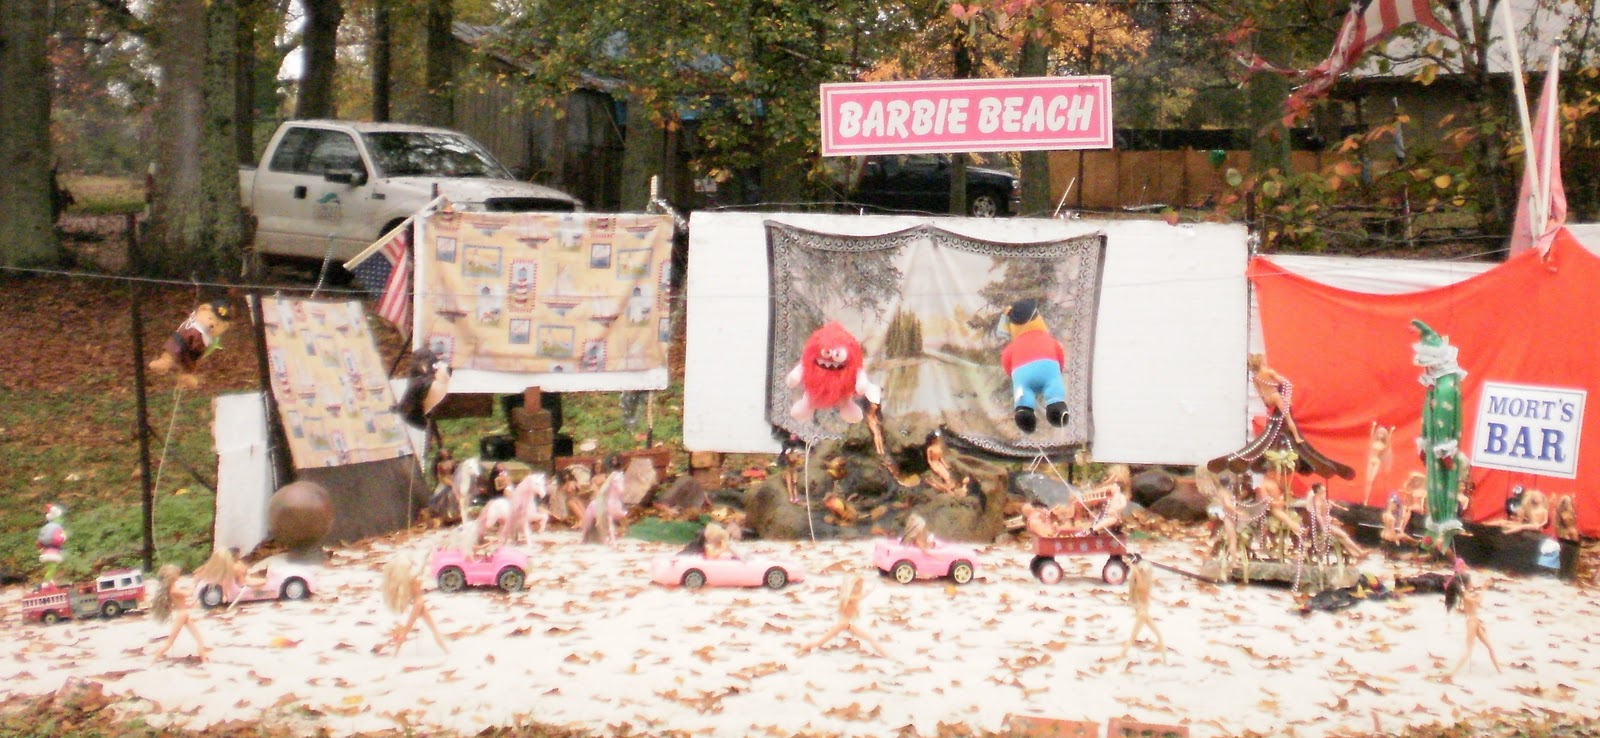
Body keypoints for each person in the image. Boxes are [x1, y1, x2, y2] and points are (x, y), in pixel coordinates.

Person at [797, 575, 890, 658]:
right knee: (870, 639)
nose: (861, 588)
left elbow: (859, 595)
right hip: (845, 625)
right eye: (859, 586)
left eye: (860, 586)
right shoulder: (850, 598)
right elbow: (859, 596)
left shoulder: (848, 596)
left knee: (820, 641)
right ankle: (888, 657)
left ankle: (802, 650)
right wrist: (873, 587)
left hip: (845, 625)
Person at [379, 555, 448, 657]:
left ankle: (444, 647)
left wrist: (426, 560)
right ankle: (396, 651)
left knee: (432, 627)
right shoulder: (412, 580)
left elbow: (420, 572)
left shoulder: (410, 579)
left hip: (420, 603)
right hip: (418, 605)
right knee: (410, 628)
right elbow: (418, 576)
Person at [151, 564, 208, 663]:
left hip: (184, 614)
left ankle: (204, 660)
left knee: (199, 638)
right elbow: (188, 593)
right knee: (169, 642)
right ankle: (153, 660)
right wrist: (196, 583)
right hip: (181, 615)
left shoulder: (174, 588)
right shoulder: (173, 590)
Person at [1116, 557, 1166, 664]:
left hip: (1142, 612)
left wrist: (1131, 565)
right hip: (1142, 613)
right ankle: (1121, 656)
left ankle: (1165, 660)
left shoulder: (1141, 585)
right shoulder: (1141, 585)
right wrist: (1131, 565)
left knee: (1157, 636)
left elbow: (1138, 576)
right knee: (1134, 637)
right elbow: (1138, 575)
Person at [1249, 354, 1303, 443]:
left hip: (1267, 399)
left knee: (1277, 416)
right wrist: (1287, 384)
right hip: (1275, 396)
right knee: (1288, 417)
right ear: (1262, 362)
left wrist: (1265, 403)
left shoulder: (1256, 378)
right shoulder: (1269, 372)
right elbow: (1282, 382)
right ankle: (1297, 437)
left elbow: (1260, 393)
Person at [1363, 422, 1394, 505]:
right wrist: (1373, 426)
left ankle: (1367, 498)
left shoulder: (1383, 445)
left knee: (1371, 480)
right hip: (1371, 460)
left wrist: (1391, 431)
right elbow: (1371, 436)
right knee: (1368, 480)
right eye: (1379, 434)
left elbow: (1388, 443)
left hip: (1377, 462)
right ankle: (1366, 498)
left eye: (1382, 434)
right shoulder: (1373, 442)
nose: (1380, 435)